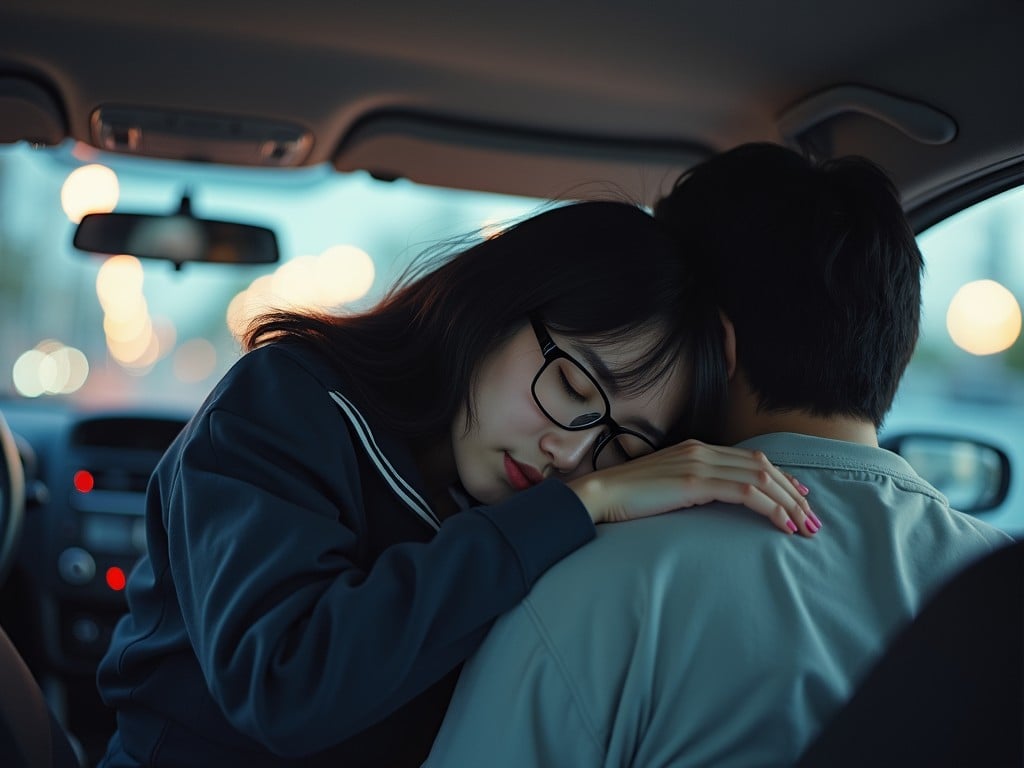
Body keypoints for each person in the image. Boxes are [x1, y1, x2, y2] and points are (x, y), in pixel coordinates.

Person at [94, 200, 814, 768]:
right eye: (571, 385)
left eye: (623, 447)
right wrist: (580, 504)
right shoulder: (284, 402)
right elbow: (287, 682)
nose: (570, 452)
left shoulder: (556, 531)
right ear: (497, 302)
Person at [423, 144, 1016, 768]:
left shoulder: (593, 581)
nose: (572, 454)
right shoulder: (999, 588)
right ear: (894, 340)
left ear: (712, 342)